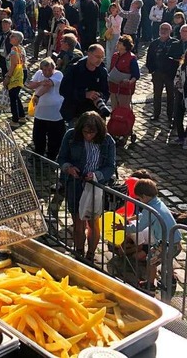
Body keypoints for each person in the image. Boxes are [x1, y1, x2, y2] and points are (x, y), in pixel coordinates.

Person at [57, 111, 116, 263]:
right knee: (77, 220)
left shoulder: (107, 141)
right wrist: (68, 167)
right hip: (75, 185)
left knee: (93, 221)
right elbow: (62, 157)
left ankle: (90, 253)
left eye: (92, 133)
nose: (88, 136)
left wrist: (97, 175)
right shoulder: (71, 136)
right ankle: (78, 250)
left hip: (95, 187)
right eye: (85, 132)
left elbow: (110, 166)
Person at [115, 179, 182, 294]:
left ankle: (149, 284)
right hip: (175, 241)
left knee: (151, 261)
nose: (139, 201)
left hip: (164, 244)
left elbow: (139, 228)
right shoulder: (159, 203)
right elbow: (145, 217)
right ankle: (171, 280)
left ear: (144, 196)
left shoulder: (149, 209)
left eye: (139, 199)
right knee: (168, 260)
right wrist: (137, 216)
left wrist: (123, 228)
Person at [59, 44, 110, 125]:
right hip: (75, 114)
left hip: (95, 114)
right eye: (97, 56)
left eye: (102, 57)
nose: (100, 60)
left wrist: (99, 97)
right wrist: (84, 94)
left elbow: (106, 92)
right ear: (89, 54)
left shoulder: (102, 71)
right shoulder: (74, 69)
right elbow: (63, 90)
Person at [26, 57, 65, 160]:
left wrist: (37, 95)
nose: (47, 72)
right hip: (40, 112)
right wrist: (39, 83)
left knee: (55, 137)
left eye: (49, 70)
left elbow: (48, 85)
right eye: (45, 70)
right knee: (38, 135)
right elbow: (30, 85)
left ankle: (52, 156)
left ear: (54, 68)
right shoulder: (39, 73)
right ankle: (38, 153)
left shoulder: (58, 74)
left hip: (54, 113)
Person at [146, 23, 183, 121]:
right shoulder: (154, 43)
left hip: (170, 74)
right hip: (157, 73)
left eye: (166, 29)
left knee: (171, 96)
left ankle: (170, 116)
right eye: (162, 28)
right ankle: (156, 114)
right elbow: (149, 58)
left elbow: (179, 58)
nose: (164, 30)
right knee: (156, 95)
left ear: (170, 31)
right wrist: (152, 70)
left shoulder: (175, 43)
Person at [108, 35, 140, 108]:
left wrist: (129, 82)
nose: (117, 44)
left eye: (119, 43)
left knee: (123, 110)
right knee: (114, 109)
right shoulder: (115, 55)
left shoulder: (131, 58)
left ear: (125, 46)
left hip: (125, 89)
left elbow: (136, 75)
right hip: (113, 87)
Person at [3, 31, 27, 127]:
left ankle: (15, 120)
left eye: (12, 36)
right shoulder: (21, 48)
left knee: (13, 96)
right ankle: (22, 116)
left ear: (17, 39)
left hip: (16, 74)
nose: (10, 38)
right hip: (23, 72)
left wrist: (8, 77)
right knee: (16, 95)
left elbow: (13, 65)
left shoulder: (13, 49)